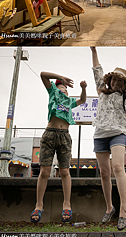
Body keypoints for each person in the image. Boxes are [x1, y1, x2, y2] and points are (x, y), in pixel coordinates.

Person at [90, 47, 126, 230]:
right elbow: (96, 69)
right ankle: (110, 207)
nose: (117, 82)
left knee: (118, 166)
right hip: (100, 133)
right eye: (114, 79)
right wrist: (93, 50)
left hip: (118, 132)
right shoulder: (101, 91)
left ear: (125, 83)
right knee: (104, 172)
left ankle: (124, 210)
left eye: (120, 80)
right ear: (110, 80)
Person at [30, 72, 87, 224]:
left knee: (65, 171)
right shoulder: (52, 92)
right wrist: (62, 78)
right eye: (63, 87)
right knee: (44, 172)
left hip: (65, 136)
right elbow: (43, 74)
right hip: (49, 134)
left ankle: (66, 205)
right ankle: (39, 205)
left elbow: (82, 100)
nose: (65, 90)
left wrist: (83, 88)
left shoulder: (69, 101)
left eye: (67, 89)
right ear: (57, 88)